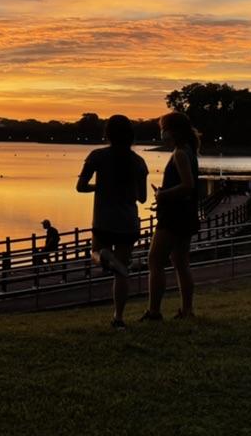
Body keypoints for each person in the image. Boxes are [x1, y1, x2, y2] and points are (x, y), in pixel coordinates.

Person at [76, 115, 148, 329]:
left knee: (96, 253)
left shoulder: (97, 156)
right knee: (122, 270)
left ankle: (105, 257)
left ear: (107, 135)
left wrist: (99, 187)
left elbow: (80, 187)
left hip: (104, 220)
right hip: (128, 222)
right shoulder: (138, 162)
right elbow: (142, 198)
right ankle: (118, 317)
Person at [143, 111, 201, 321]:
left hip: (174, 217)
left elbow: (187, 185)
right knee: (180, 261)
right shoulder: (189, 151)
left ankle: (154, 311)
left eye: (163, 129)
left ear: (172, 131)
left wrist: (162, 194)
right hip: (186, 215)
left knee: (155, 260)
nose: (161, 133)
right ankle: (187, 310)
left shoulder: (180, 153)